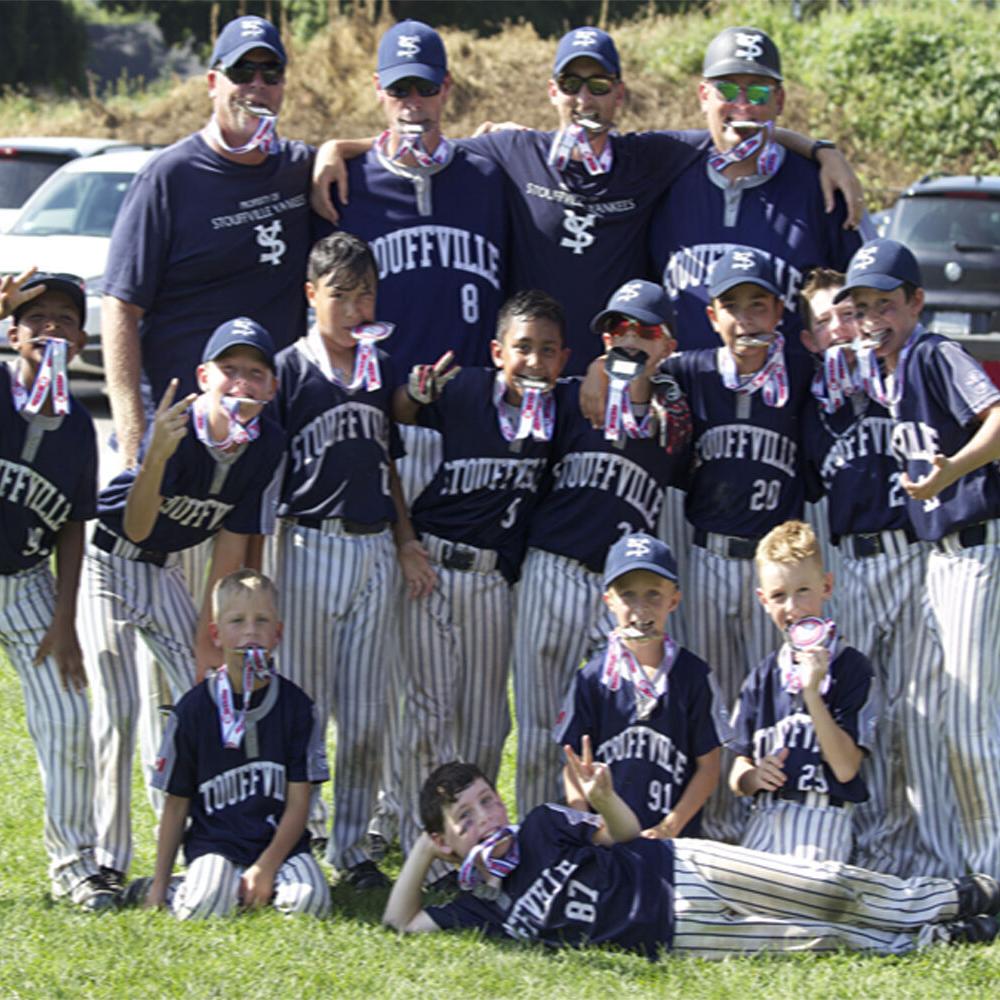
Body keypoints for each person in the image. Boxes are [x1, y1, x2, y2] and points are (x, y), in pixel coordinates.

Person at [314, 25, 863, 377]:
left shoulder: (650, 158)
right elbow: (425, 145)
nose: (585, 99)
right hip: (529, 372)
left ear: (620, 94)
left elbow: (733, 134)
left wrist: (822, 150)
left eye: (599, 86)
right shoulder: (510, 150)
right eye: (571, 84)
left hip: (619, 377)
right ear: (551, 91)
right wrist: (342, 147)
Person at [382, 756, 1000, 956]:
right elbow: (399, 922)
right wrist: (421, 850)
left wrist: (605, 798)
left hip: (680, 864)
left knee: (823, 883)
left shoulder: (542, 825)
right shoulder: (476, 910)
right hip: (674, 929)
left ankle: (953, 897)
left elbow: (622, 836)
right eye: (465, 818)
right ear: (446, 841)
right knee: (812, 938)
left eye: (487, 801)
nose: (487, 818)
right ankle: (934, 940)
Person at [78, 317, 286, 887]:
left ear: (270, 387)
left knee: (207, 700)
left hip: (164, 570)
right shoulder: (176, 428)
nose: (240, 383)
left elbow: (234, 543)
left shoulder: (265, 443)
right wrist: (158, 457)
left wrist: (211, 644)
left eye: (255, 372)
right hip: (109, 563)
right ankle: (106, 862)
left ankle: (208, 846)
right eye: (229, 370)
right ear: (204, 376)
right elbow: (138, 526)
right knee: (118, 710)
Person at [272, 232, 434, 887]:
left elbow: (386, 463)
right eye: (341, 294)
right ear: (312, 296)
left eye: (366, 293)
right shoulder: (287, 368)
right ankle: (301, 835)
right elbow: (267, 474)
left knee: (368, 712)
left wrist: (404, 538)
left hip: (371, 546)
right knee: (304, 706)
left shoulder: (379, 364)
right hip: (309, 544)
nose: (356, 307)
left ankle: (352, 846)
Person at [836, 238, 1000, 879]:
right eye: (862, 307)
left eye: (886, 304)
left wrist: (953, 470)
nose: (873, 318)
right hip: (940, 560)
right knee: (933, 720)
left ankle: (989, 877)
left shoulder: (934, 353)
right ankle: (963, 864)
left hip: (974, 550)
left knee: (965, 720)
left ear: (916, 302)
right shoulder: (890, 369)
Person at [392, 289, 569, 876]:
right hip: (436, 569)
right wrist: (406, 540)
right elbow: (398, 421)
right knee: (429, 716)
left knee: (489, 721)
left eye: (548, 351)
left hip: (495, 581)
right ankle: (423, 841)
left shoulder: (562, 411)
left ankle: (479, 842)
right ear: (498, 352)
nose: (535, 361)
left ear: (564, 358)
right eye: (523, 348)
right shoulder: (464, 388)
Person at [513, 280, 693, 815]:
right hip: (552, 570)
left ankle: (606, 842)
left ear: (669, 347)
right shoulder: (572, 397)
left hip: (621, 592)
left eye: (646, 331)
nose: (630, 339)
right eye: (619, 329)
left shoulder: (674, 422)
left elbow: (682, 425)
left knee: (618, 724)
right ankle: (536, 841)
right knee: (538, 730)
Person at [102, 14, 313, 471]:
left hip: (264, 435)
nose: (256, 85)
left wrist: (343, 149)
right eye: (241, 72)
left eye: (270, 74)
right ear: (213, 82)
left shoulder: (301, 170)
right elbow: (120, 307)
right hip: (177, 432)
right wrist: (137, 442)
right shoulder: (169, 177)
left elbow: (380, 158)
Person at [798, 268, 950, 876]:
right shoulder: (812, 409)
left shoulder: (902, 376)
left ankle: (938, 851)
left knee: (925, 708)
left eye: (847, 313)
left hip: (913, 556)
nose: (839, 328)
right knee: (864, 707)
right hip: (854, 564)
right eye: (823, 321)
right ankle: (879, 846)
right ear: (809, 339)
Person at [0, 270, 110, 911]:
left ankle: (75, 864)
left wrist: (65, 620)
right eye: (36, 317)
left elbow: (72, 527)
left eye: (66, 318)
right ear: (14, 334)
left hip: (26, 584)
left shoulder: (76, 432)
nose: (51, 327)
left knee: (70, 714)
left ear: (83, 339)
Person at [649, 25, 863, 354]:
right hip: (684, 398)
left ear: (779, 100)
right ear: (704, 96)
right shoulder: (667, 176)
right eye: (728, 91)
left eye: (759, 93)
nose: (744, 106)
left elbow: (865, 301)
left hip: (789, 400)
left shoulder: (821, 189)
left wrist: (824, 152)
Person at [135, 570, 329, 919]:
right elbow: (176, 805)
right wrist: (158, 887)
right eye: (237, 621)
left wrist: (266, 867)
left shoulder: (297, 707)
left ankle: (256, 884)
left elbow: (300, 803)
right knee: (205, 907)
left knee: (310, 905)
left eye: (262, 621)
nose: (250, 631)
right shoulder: (193, 710)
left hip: (281, 848)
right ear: (216, 634)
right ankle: (183, 886)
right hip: (216, 846)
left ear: (278, 633)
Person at [554, 532, 731, 840]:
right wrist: (584, 824)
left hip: (673, 842)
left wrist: (670, 826)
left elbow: (709, 767)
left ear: (674, 600)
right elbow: (573, 767)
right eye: (627, 594)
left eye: (653, 594)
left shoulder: (694, 675)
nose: (641, 607)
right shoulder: (592, 679)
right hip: (607, 839)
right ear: (608, 600)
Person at [729, 520, 878, 863]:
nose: (793, 608)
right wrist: (752, 776)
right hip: (764, 816)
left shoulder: (851, 667)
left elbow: (845, 769)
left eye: (803, 591)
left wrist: (813, 693)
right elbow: (738, 768)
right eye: (779, 596)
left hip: (822, 817)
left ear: (827, 586)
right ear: (763, 601)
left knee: (797, 896)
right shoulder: (762, 675)